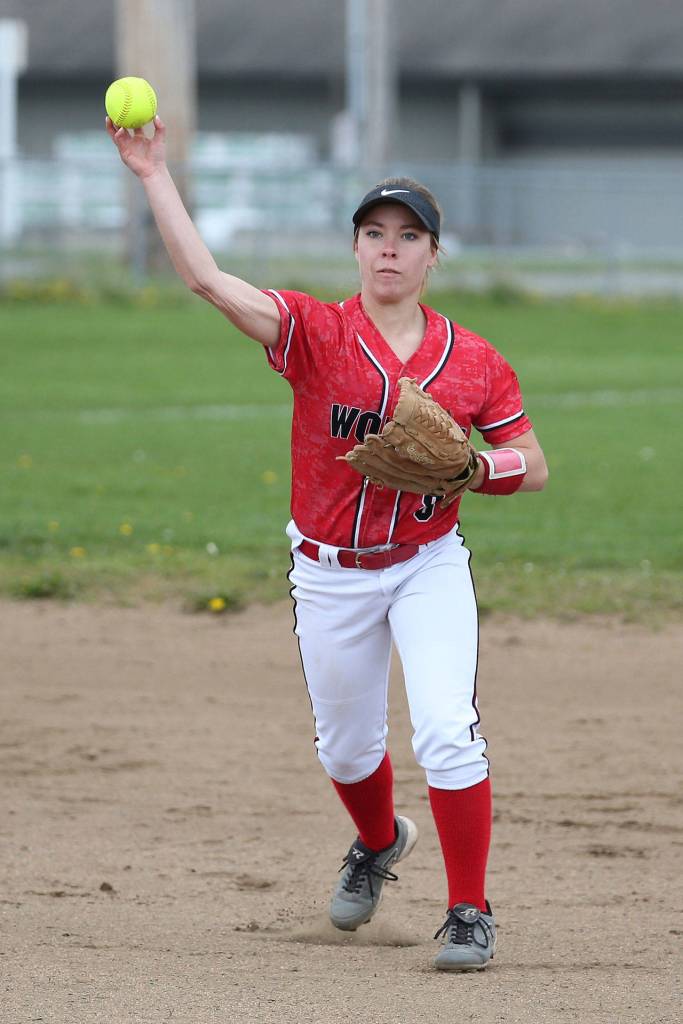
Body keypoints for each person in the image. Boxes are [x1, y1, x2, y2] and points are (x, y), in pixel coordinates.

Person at [107, 114, 548, 972]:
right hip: (329, 573)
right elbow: (205, 278)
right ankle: (379, 842)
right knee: (346, 750)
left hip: (426, 564)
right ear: (354, 250)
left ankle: (467, 911)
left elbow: (531, 465)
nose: (389, 249)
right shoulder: (315, 333)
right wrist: (153, 172)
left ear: (431, 257)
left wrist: (472, 469)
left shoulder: (474, 362)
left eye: (407, 236)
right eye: (373, 234)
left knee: (447, 731)